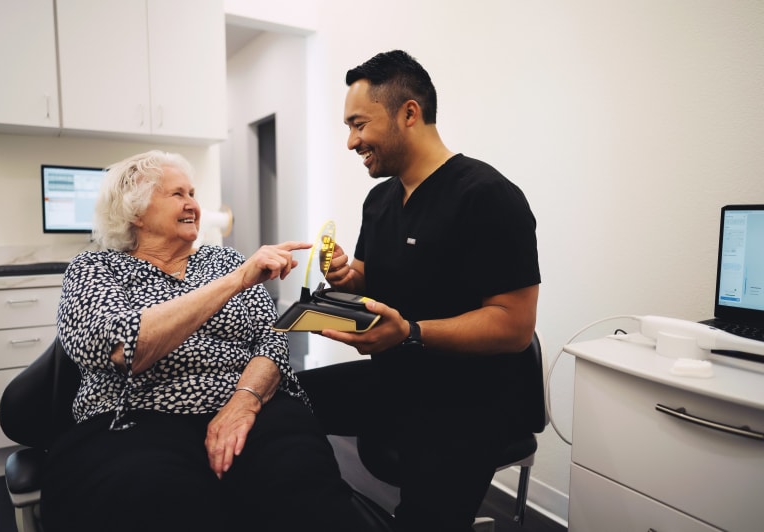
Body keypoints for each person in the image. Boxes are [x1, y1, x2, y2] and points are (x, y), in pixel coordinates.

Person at [40, 150, 371, 532]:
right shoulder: (95, 268)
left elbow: (271, 339)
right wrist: (236, 282)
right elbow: (127, 346)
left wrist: (245, 401)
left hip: (247, 405)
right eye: (177, 194)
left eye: (193, 193)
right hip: (138, 416)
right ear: (135, 211)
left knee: (302, 480)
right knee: (156, 497)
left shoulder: (225, 260)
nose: (192, 204)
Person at [297, 50, 541, 532]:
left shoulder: (487, 196)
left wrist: (410, 332)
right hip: (398, 377)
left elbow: (514, 325)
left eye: (358, 124)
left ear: (409, 113)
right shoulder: (380, 199)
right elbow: (369, 274)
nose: (351, 141)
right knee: (286, 400)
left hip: (472, 397)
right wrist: (345, 276)